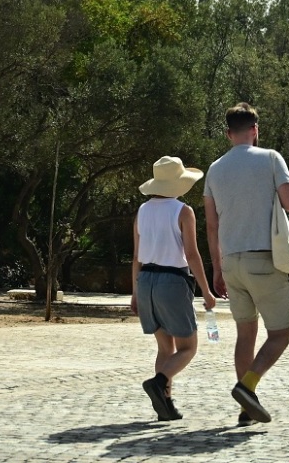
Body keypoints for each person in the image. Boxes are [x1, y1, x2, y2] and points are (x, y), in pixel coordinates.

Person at [204, 102, 289, 427]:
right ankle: (247, 386)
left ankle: (247, 409)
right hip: (264, 258)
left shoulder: (215, 169)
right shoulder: (271, 158)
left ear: (229, 133)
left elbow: (211, 225)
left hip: (231, 261)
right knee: (280, 333)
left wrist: (216, 268)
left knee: (245, 333)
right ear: (255, 130)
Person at [131, 156, 218, 421]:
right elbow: (191, 254)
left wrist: (135, 292)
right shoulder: (183, 211)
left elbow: (136, 256)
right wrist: (207, 291)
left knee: (164, 348)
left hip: (145, 281)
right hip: (172, 281)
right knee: (188, 347)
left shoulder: (142, 211)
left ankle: (165, 407)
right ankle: (159, 382)